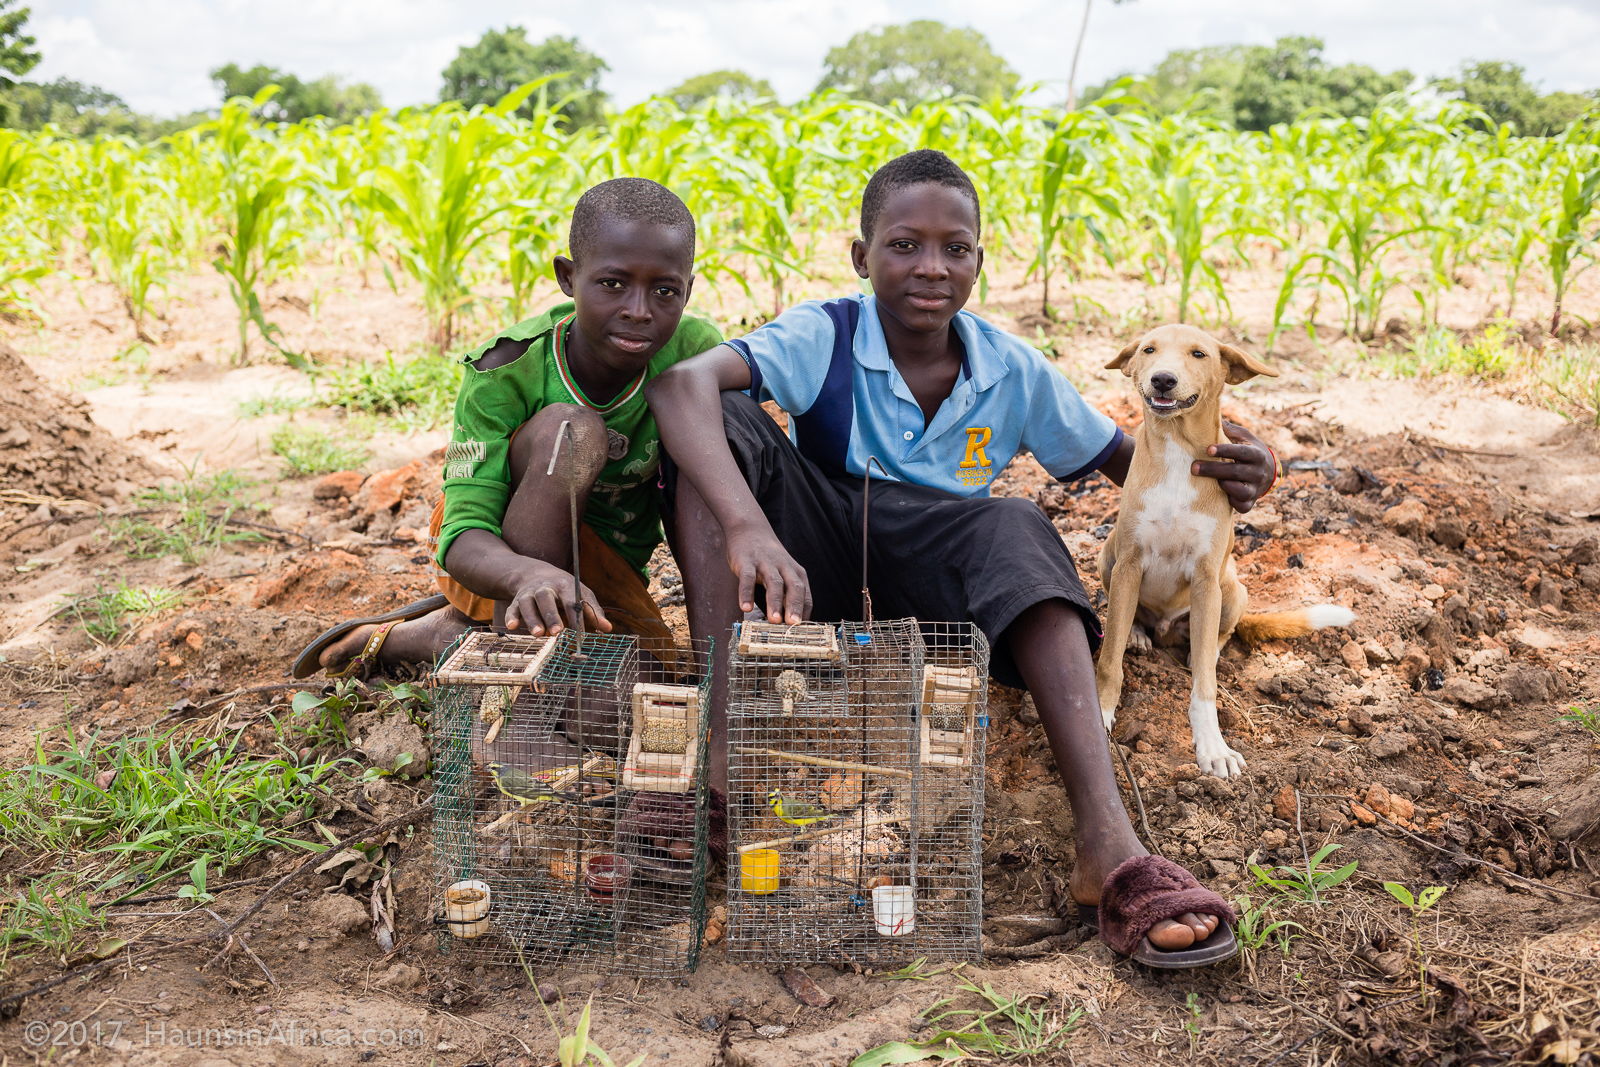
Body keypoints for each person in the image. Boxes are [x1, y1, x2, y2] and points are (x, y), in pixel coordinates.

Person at [646, 150, 1276, 967]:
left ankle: (1109, 847)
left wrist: (1231, 469)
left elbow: (1134, 464)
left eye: (957, 248)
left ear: (981, 260)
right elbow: (678, 388)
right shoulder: (827, 332)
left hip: (938, 581)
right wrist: (749, 527)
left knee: (1016, 522)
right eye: (904, 245)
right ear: (862, 257)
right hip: (813, 560)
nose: (931, 267)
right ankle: (719, 769)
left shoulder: (1009, 367)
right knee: (721, 417)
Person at [295, 178, 720, 679]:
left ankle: (443, 635)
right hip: (496, 553)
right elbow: (464, 533)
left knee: (642, 691)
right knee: (573, 431)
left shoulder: (695, 353)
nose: (638, 310)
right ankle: (508, 686)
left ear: (688, 291)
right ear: (568, 276)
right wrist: (527, 573)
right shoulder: (507, 369)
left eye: (665, 290)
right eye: (612, 283)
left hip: (600, 574)